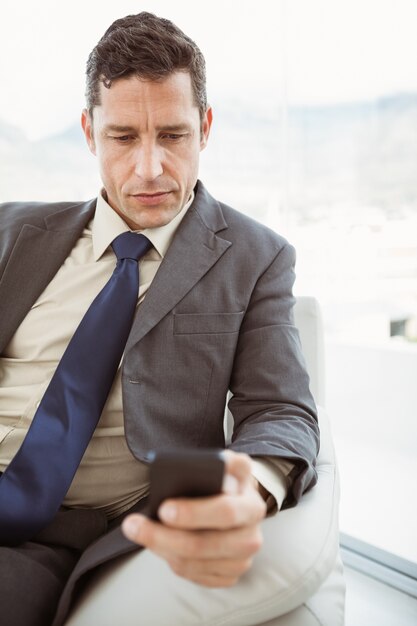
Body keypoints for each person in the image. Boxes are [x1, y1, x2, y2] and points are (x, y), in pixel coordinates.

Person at [0, 11, 319, 626]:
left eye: (172, 136)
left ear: (204, 126)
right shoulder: (13, 232)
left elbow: (281, 410)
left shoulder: (257, 258)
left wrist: (246, 489)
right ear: (90, 132)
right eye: (123, 138)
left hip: (58, 530)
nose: (149, 168)